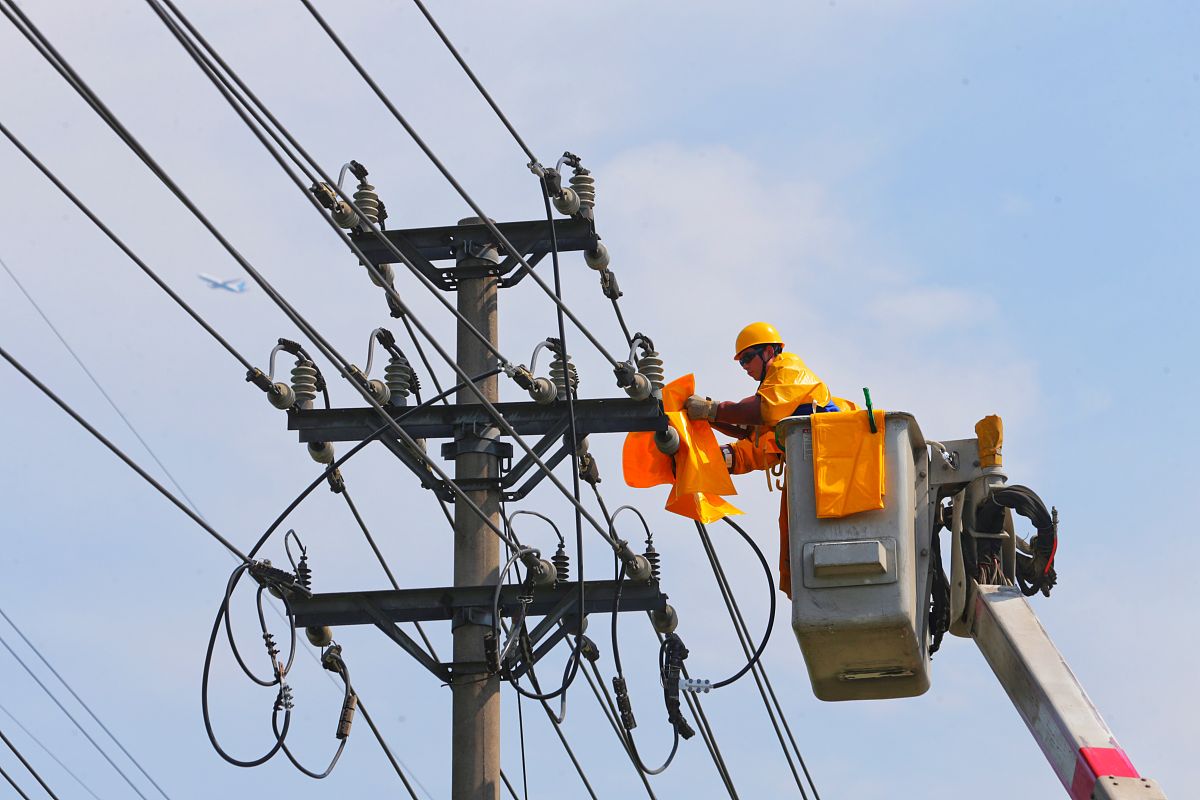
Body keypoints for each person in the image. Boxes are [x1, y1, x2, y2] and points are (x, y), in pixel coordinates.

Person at [684, 322, 850, 597]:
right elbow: (755, 440)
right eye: (741, 363)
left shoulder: (789, 369)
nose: (746, 367)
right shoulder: (784, 410)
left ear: (770, 351)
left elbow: (761, 411)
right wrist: (713, 454)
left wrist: (713, 410)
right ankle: (809, 596)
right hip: (812, 470)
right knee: (794, 544)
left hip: (832, 464)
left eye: (748, 358)